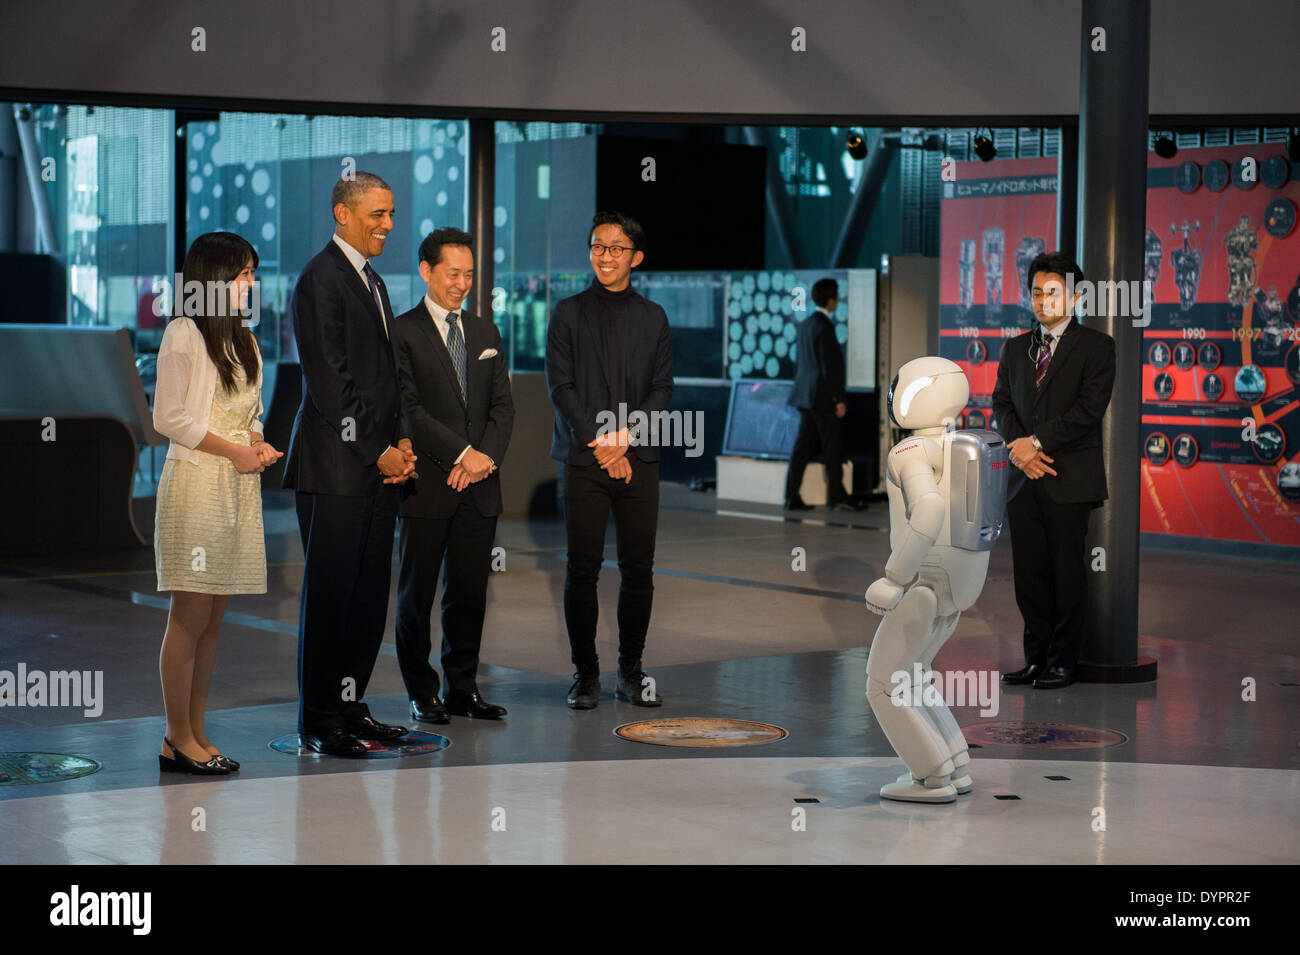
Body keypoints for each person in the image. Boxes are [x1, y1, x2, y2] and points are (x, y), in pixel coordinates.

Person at [283, 171, 417, 756]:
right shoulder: (320, 280)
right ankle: (319, 720)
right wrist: (378, 449)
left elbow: (390, 377)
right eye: (378, 214)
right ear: (343, 212)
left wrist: (404, 442)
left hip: (378, 468)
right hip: (337, 470)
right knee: (331, 597)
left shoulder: (373, 281)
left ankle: (348, 706)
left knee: (367, 596)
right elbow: (330, 385)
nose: (389, 224)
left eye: (391, 214)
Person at [153, 231, 282, 775]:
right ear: (214, 279)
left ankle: (197, 731)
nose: (251, 284)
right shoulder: (183, 332)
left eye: (252, 274)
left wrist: (256, 439)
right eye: (243, 274)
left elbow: (248, 409)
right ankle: (176, 737)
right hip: (197, 483)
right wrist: (235, 448)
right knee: (188, 617)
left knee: (213, 620)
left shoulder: (245, 339)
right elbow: (169, 418)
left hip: (234, 486)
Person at [545, 211, 673, 710]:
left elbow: (663, 388)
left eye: (616, 248)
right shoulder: (568, 313)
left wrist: (626, 437)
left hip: (638, 458)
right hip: (584, 460)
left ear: (635, 258)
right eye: (598, 246)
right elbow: (562, 386)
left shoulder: (654, 317)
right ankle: (584, 674)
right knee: (582, 569)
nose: (605, 256)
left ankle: (631, 671)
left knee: (639, 570)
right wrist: (604, 442)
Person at [394, 228, 514, 724]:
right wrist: (462, 453)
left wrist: (483, 458)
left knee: (469, 593)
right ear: (426, 271)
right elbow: (410, 409)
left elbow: (503, 408)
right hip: (427, 486)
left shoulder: (485, 333)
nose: (461, 283)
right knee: (416, 595)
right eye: (452, 273)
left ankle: (463, 688)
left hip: (479, 486)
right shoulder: (401, 331)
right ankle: (423, 693)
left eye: (468, 274)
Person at [992, 252, 1116, 690]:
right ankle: (1035, 658)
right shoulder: (1015, 348)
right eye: (1036, 292)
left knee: (1066, 573)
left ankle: (1063, 662)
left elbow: (1088, 412)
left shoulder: (1098, 348)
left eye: (1053, 292)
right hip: (1023, 479)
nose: (1042, 301)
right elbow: (1002, 404)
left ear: (1077, 295)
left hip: (1069, 479)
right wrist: (1018, 448)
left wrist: (1037, 443)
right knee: (1030, 575)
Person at [785, 278, 863, 511]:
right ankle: (837, 497)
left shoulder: (806, 324)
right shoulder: (825, 328)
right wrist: (838, 399)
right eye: (836, 296)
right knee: (832, 446)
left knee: (802, 447)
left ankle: (791, 495)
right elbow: (830, 368)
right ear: (831, 300)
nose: (837, 300)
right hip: (822, 396)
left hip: (804, 395)